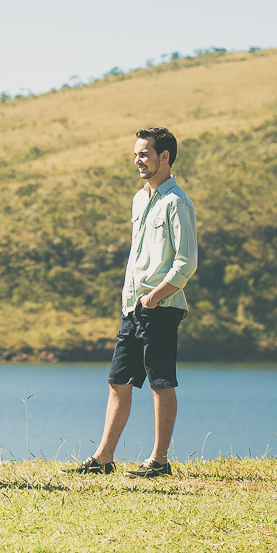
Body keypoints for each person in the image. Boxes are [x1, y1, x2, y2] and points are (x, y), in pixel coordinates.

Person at [63, 127, 197, 477]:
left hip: (161, 307)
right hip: (132, 308)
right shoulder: (139, 199)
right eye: (136, 154)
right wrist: (134, 301)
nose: (137, 160)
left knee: (160, 383)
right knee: (118, 381)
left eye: (144, 154)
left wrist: (153, 297)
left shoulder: (177, 202)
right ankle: (103, 458)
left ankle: (159, 461)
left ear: (164, 157)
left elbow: (186, 263)